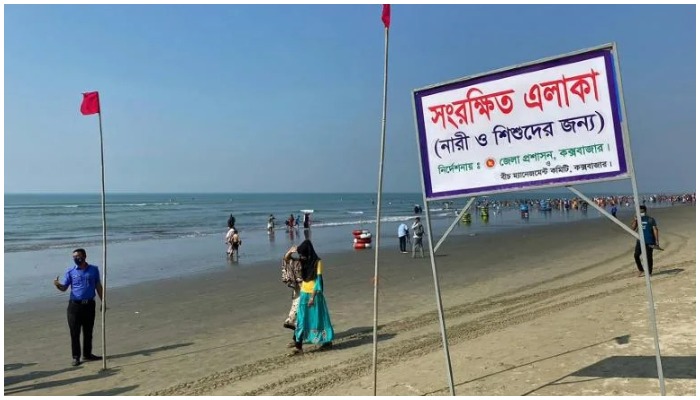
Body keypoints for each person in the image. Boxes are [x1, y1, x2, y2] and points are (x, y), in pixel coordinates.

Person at [53, 248, 104, 366]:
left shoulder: (94, 270)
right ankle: (76, 357)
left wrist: (103, 301)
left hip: (89, 304)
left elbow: (98, 286)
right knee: (74, 332)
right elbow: (64, 288)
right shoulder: (70, 271)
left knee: (88, 331)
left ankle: (87, 354)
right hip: (74, 306)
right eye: (74, 257)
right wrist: (57, 285)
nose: (76, 258)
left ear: (84, 256)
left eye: (78, 256)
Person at [288, 239, 334, 356]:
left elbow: (318, 281)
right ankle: (299, 347)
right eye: (300, 255)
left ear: (308, 253)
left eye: (303, 254)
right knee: (302, 319)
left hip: (315, 295)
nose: (301, 257)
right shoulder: (303, 261)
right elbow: (287, 260)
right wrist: (290, 252)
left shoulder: (317, 262)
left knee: (319, 318)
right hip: (304, 293)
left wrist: (312, 297)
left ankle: (327, 341)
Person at [631, 205, 660, 277]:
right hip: (639, 241)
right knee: (636, 255)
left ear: (645, 211)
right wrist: (635, 219)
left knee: (648, 257)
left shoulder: (650, 219)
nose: (641, 212)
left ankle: (649, 272)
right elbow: (633, 228)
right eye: (639, 211)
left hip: (649, 241)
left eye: (642, 211)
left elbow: (655, 229)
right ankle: (641, 269)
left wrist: (656, 241)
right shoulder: (638, 219)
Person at [282, 246, 303, 331]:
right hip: (300, 288)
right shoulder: (297, 262)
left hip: (303, 288)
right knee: (296, 306)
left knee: (297, 307)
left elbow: (286, 259)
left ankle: (291, 322)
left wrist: (290, 252)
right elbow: (286, 259)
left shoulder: (299, 262)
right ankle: (291, 322)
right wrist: (290, 252)